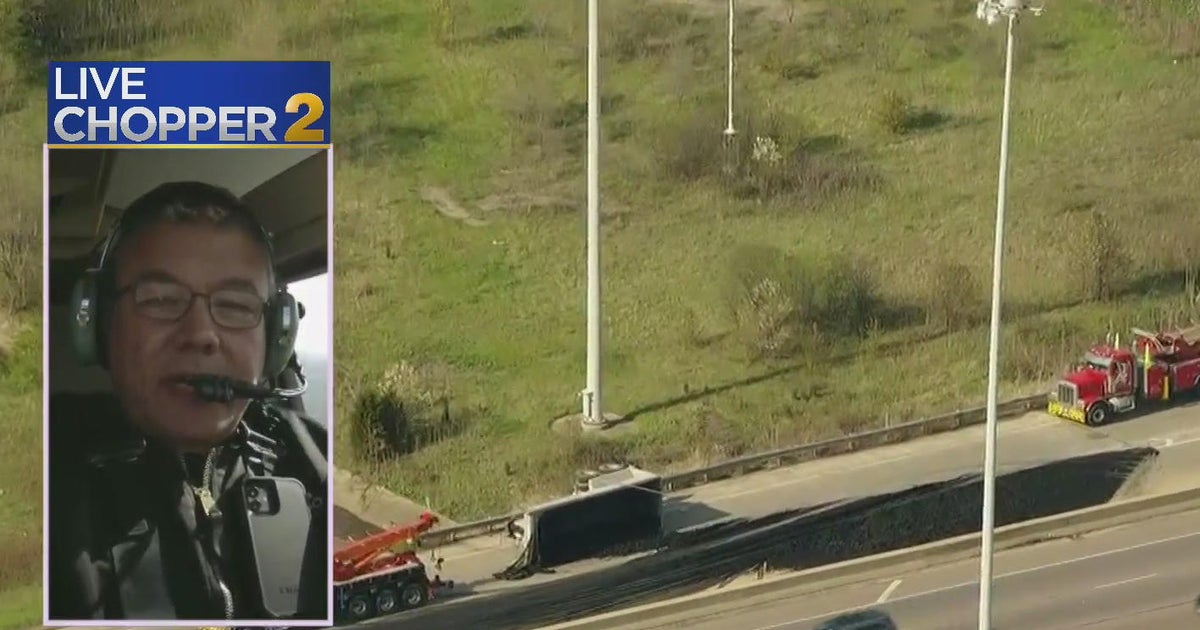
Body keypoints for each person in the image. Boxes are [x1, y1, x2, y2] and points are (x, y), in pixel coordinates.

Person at [47, 181, 328, 621]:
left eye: (235, 305)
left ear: (275, 337)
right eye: (160, 299)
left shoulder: (317, 464)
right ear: (99, 325)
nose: (200, 334)